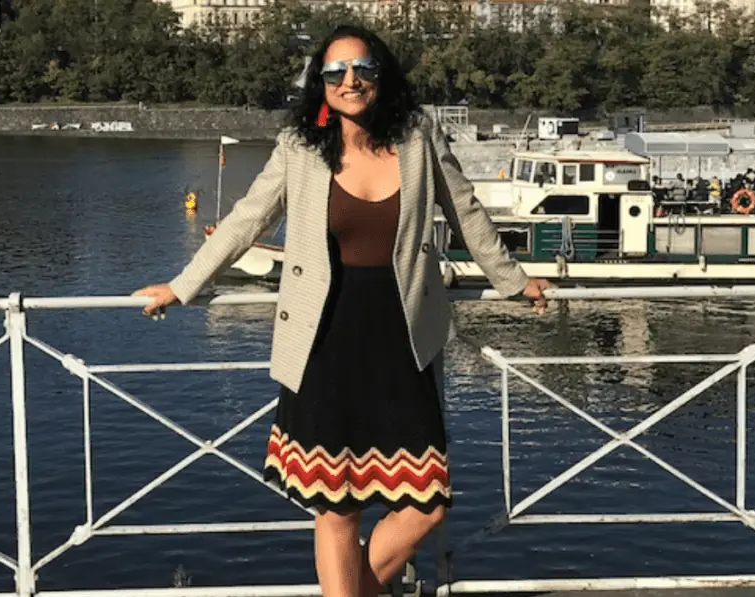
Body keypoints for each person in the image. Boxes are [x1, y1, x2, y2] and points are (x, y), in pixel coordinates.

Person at [132, 24, 552, 597]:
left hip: (403, 335)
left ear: (381, 74)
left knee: (425, 504)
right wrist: (182, 286)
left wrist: (514, 279)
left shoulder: (418, 136)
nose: (350, 81)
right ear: (321, 84)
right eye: (335, 72)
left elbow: (466, 211)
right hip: (323, 338)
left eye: (362, 69)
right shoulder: (301, 147)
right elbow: (247, 219)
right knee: (337, 507)